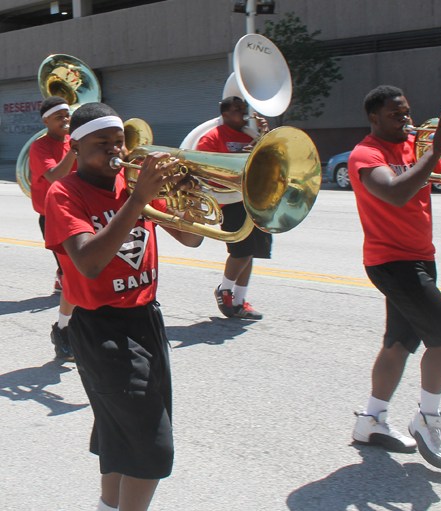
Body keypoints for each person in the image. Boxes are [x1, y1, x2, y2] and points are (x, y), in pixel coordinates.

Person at [44, 102, 203, 511]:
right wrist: (137, 201)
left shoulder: (131, 184)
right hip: (100, 328)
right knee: (152, 446)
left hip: (146, 319)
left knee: (122, 436)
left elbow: (192, 239)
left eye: (120, 142)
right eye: (103, 144)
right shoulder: (63, 193)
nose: (116, 151)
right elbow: (90, 262)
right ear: (75, 147)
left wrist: (188, 196)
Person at [348, 85, 441, 470]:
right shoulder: (365, 155)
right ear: (374, 119)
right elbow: (396, 193)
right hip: (391, 262)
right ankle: (428, 420)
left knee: (399, 343)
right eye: (394, 115)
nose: (405, 119)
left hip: (421, 257)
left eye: (406, 112)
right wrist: (435, 150)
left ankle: (370, 421)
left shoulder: (417, 145)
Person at [197, 96, 271, 320]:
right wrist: (241, 156)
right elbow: (206, 169)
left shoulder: (252, 136)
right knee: (241, 251)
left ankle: (239, 302)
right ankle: (225, 291)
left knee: (252, 252)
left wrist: (265, 138)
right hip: (230, 201)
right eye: (237, 109)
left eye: (244, 108)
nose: (244, 113)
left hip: (254, 198)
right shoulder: (212, 137)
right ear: (225, 114)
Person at [29, 96, 78, 361]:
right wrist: (76, 150)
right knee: (75, 276)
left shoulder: (75, 143)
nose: (66, 119)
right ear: (46, 120)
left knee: (86, 273)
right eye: (59, 116)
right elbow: (55, 177)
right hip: (54, 217)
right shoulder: (40, 147)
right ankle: (63, 330)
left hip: (81, 213)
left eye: (67, 114)